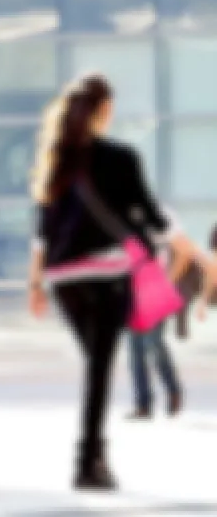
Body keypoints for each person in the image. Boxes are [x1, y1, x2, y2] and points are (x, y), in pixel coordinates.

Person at [28, 73, 169, 492]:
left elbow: (43, 231)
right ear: (104, 109)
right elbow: (149, 213)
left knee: (97, 365)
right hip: (107, 274)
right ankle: (87, 462)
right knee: (100, 370)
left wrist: (35, 285)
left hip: (64, 280)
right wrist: (166, 240)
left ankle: (95, 455)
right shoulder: (122, 157)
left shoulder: (56, 160)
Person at [127, 211, 215, 420]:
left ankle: (173, 390)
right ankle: (143, 405)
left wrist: (164, 284)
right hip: (134, 288)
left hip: (156, 287)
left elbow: (185, 252)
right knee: (134, 348)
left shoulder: (161, 214)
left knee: (152, 343)